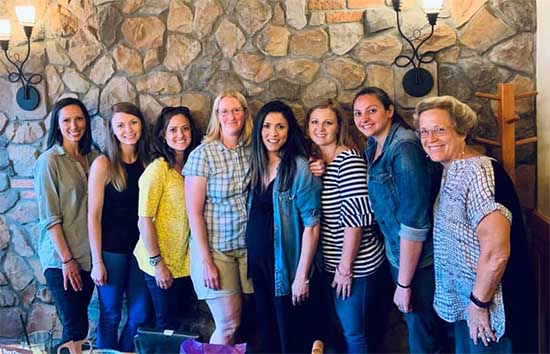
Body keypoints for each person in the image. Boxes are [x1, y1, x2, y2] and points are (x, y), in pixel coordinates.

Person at [414, 96, 537, 353]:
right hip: (469, 301)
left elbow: (496, 252)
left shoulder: (479, 172)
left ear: (461, 131)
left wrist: (479, 305)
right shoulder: (449, 167)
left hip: (489, 306)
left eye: (440, 129)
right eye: (424, 131)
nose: (430, 138)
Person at [352, 87, 444, 353]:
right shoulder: (374, 145)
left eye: (372, 110)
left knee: (424, 337)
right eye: (358, 113)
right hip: (397, 256)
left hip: (419, 264)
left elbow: (415, 222)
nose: (364, 118)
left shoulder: (403, 147)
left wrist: (404, 283)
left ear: (389, 111)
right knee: (418, 330)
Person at [305, 100, 386, 353]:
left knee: (354, 332)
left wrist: (345, 269)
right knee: (339, 330)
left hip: (356, 265)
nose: (320, 128)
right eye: (315, 122)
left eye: (328, 122)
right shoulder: (318, 161)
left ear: (339, 127)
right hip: (332, 262)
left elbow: (356, 221)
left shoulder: (348, 160)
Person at [246, 100, 322, 353]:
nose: (273, 133)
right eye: (267, 126)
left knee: (289, 335)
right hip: (258, 266)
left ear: (289, 131)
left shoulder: (299, 167)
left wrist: (302, 276)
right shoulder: (256, 165)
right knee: (267, 332)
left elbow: (312, 225)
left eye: (280, 127)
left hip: (285, 266)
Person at [183, 91, 254, 345]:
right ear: (217, 116)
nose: (231, 116)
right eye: (224, 111)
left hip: (246, 250)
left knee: (242, 324)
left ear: (245, 114)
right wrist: (206, 261)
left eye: (236, 110)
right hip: (216, 251)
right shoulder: (203, 154)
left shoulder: (252, 150)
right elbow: (194, 212)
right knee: (228, 324)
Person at [34, 97, 98, 343]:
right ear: (57, 125)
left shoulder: (93, 158)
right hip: (62, 260)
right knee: (75, 329)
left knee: (77, 328)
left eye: (79, 118)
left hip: (87, 257)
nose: (74, 125)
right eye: (67, 120)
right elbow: (50, 218)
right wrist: (67, 260)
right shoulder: (49, 161)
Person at [87, 102, 151, 351]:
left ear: (141, 125)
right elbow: (93, 215)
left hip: (141, 253)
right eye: (121, 125)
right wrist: (97, 261)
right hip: (111, 252)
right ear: (112, 130)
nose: (128, 129)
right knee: (110, 316)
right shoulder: (103, 164)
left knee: (139, 316)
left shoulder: (149, 162)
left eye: (133, 123)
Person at [134, 106, 200, 330]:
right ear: (163, 134)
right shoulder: (157, 170)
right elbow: (144, 220)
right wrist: (158, 264)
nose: (180, 135)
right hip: (159, 264)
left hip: (184, 264)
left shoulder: (192, 166)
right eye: (173, 130)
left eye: (185, 129)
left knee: (179, 324)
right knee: (165, 326)